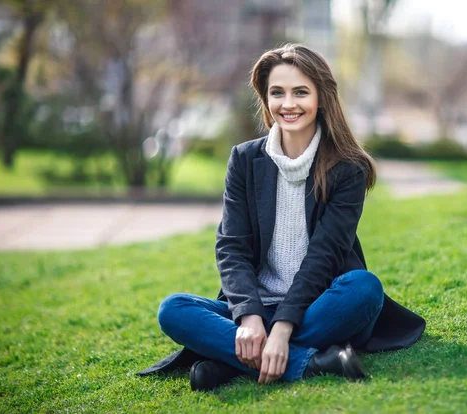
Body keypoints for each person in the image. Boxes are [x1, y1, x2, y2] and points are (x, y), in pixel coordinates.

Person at [137, 43, 426, 391]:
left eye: (300, 92)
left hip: (320, 307)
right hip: (257, 306)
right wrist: (250, 317)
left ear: (322, 97)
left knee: (365, 288)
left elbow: (326, 254)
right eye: (278, 93)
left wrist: (283, 327)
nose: (288, 104)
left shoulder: (347, 168)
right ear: (266, 99)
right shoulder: (245, 159)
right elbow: (232, 247)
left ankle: (232, 361)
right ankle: (312, 362)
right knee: (173, 309)